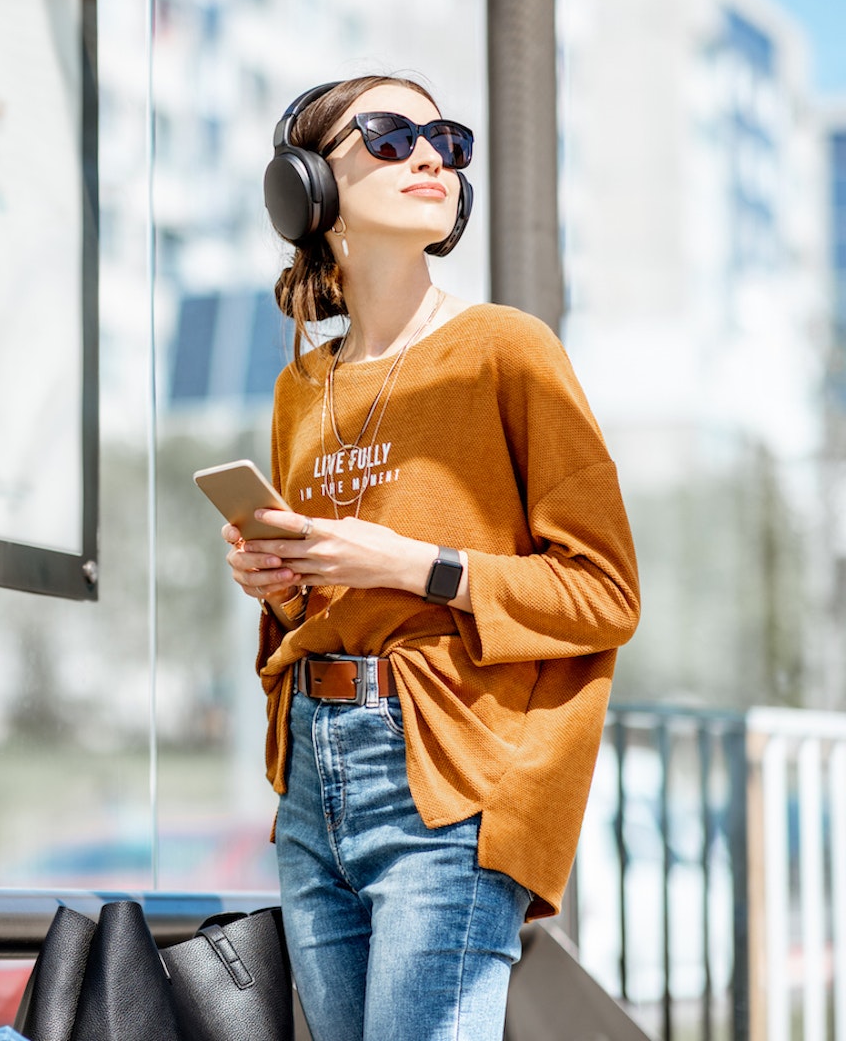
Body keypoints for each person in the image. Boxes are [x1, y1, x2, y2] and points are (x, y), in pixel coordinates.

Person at [221, 75, 640, 1041]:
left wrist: (411, 563)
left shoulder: (506, 350)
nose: (430, 156)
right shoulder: (300, 388)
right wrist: (277, 588)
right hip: (311, 782)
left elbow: (605, 594)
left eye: (447, 141)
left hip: (448, 777)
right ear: (307, 188)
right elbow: (329, 598)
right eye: (392, 133)